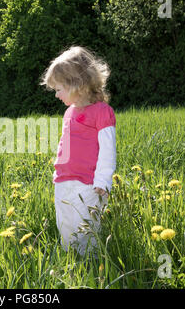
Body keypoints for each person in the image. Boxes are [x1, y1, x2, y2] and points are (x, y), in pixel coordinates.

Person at [41, 46, 116, 256]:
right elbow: (66, 144)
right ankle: (70, 260)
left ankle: (90, 263)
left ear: (77, 84)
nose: (56, 95)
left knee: (86, 226)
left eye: (59, 89)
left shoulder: (102, 112)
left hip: (90, 184)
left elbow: (108, 151)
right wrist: (59, 170)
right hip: (64, 180)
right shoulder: (69, 112)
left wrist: (103, 180)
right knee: (65, 222)